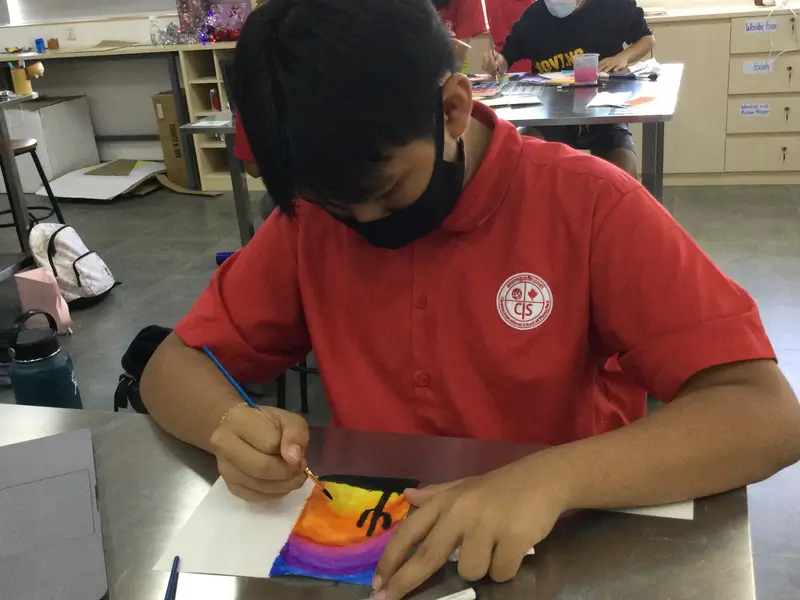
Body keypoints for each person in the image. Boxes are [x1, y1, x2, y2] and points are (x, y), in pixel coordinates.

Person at [141, 1, 800, 599]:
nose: (366, 226)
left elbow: (764, 415)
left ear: (453, 108)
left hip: (564, 553)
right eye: (340, 209)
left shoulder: (591, 206)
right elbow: (170, 368)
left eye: (388, 193)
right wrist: (230, 425)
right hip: (376, 554)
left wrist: (551, 479)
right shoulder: (316, 219)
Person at [482, 0, 656, 178]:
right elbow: (506, 58)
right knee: (520, 163)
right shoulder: (534, 17)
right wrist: (497, 62)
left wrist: (623, 57)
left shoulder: (613, 6)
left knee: (624, 173)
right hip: (550, 117)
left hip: (604, 115)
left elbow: (647, 39)